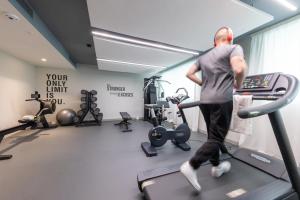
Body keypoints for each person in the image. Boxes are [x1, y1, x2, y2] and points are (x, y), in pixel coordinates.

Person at [180, 27, 247, 192]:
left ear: (214, 41)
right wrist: (238, 84)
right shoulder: (234, 48)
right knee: (217, 138)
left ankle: (217, 167)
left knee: (212, 136)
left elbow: (189, 73)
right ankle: (192, 165)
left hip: (205, 101)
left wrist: (205, 84)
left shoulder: (204, 57)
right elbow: (239, 69)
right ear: (230, 37)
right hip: (222, 100)